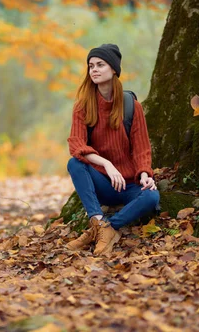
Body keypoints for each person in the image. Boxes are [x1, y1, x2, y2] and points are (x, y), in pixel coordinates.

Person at [66, 43, 159, 256]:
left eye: (100, 64)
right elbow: (76, 145)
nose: (94, 70)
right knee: (75, 163)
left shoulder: (131, 106)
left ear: (114, 69)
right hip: (102, 183)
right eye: (91, 66)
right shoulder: (82, 106)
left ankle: (105, 229)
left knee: (152, 197)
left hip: (129, 185)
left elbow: (142, 148)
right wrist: (106, 164)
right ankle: (97, 220)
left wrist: (145, 174)